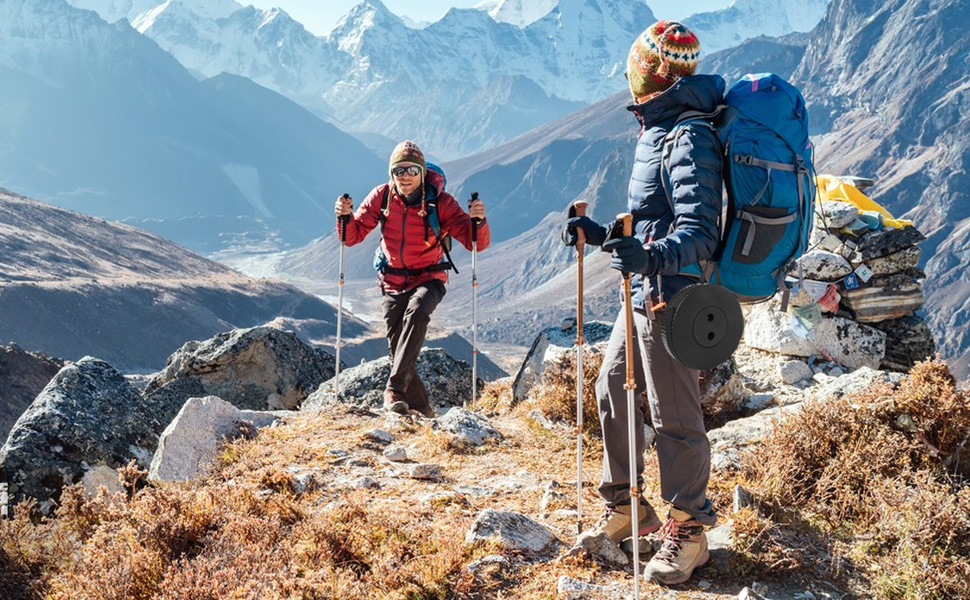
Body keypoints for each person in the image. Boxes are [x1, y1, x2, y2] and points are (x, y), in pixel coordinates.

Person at [563, 20, 722, 585]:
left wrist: (650, 258)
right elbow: (653, 225)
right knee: (611, 386)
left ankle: (691, 532)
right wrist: (602, 234)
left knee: (675, 415)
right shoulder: (657, 129)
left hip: (674, 298)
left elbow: (702, 232)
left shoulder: (689, 136)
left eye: (634, 66)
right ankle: (630, 507)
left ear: (649, 71)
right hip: (645, 289)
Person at [335, 140, 489, 418]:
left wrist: (478, 220)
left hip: (429, 276)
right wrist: (344, 217)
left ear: (421, 172)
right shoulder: (382, 197)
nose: (405, 176)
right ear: (391, 173)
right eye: (398, 170)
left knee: (417, 314)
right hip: (391, 279)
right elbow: (353, 236)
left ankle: (393, 390)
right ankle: (421, 409)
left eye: (411, 170)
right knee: (398, 349)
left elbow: (474, 241)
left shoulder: (440, 202)